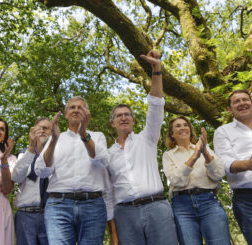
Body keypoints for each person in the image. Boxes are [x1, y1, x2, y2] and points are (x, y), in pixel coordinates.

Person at [107, 50, 178, 245]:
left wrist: (156, 69)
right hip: (125, 214)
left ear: (133, 120)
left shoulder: (147, 138)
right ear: (112, 123)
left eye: (127, 114)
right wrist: (113, 232)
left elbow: (155, 105)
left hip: (157, 207)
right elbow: (108, 193)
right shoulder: (107, 155)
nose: (123, 117)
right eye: (118, 115)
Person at [35, 97, 116, 245]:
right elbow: (42, 170)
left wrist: (84, 134)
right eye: (72, 107)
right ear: (66, 114)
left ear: (87, 114)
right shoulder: (55, 138)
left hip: (92, 205)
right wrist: (53, 140)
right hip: (58, 206)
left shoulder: (97, 136)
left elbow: (103, 161)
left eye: (80, 107)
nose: (76, 110)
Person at [163, 116, 231, 245]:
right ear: (172, 134)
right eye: (178, 126)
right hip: (181, 206)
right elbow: (177, 181)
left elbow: (218, 174)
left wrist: (204, 151)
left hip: (209, 202)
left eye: (185, 125)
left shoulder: (206, 148)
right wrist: (195, 156)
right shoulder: (168, 155)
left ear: (190, 130)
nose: (183, 127)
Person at [214, 89, 252, 244]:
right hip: (247, 199)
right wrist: (248, 164)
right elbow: (224, 163)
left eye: (245, 99)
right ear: (229, 109)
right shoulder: (223, 131)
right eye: (237, 101)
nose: (242, 103)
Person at [12, 118, 51, 245]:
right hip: (26, 215)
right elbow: (16, 177)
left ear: (53, 132)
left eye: (47, 128)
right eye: (40, 128)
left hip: (51, 215)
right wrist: (31, 148)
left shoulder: (57, 155)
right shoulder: (24, 153)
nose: (43, 131)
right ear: (33, 131)